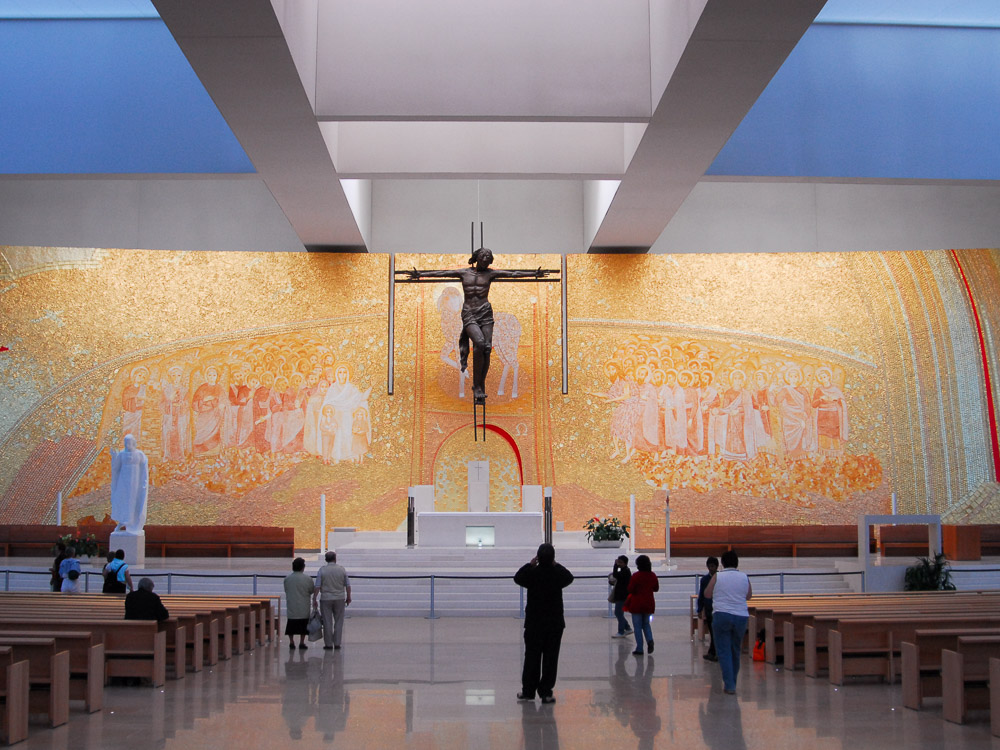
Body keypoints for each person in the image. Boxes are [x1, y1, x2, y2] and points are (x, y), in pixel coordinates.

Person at [408, 248, 550, 403]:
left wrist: (534, 274)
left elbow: (513, 273)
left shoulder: (490, 274)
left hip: (485, 313)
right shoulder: (464, 273)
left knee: (487, 348)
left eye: (488, 257)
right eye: (483, 256)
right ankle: (477, 386)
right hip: (470, 314)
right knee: (480, 343)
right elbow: (441, 274)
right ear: (476, 257)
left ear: (490, 260)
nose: (485, 258)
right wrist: (420, 275)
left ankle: (481, 384)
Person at [514, 542, 574, 704]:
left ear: (538, 557)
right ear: (553, 558)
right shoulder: (557, 574)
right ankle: (546, 692)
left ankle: (528, 691)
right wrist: (556, 564)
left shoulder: (533, 573)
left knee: (532, 657)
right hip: (554, 623)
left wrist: (530, 564)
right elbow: (569, 577)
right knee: (550, 658)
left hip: (534, 622)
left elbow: (518, 578)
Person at [704, 549, 752, 695]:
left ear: (722, 563)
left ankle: (730, 684)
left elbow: (707, 594)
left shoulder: (718, 576)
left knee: (724, 651)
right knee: (735, 650)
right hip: (741, 616)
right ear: (737, 563)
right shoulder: (744, 576)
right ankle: (733, 681)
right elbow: (749, 596)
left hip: (722, 615)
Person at [109, 434, 149, 533]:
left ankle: (132, 523)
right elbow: (116, 468)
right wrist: (114, 457)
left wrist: (144, 483)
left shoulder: (140, 455)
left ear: (133, 443)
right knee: (124, 502)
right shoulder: (122, 454)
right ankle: (121, 523)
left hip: (135, 484)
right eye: (126, 443)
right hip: (123, 483)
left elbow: (144, 470)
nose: (128, 445)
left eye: (130, 443)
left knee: (133, 503)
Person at [313, 551, 352, 650]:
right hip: (339, 597)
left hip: (326, 598)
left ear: (326, 559)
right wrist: (348, 596)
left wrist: (314, 598)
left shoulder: (322, 570)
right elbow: (347, 585)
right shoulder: (341, 570)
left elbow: (317, 586)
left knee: (327, 621)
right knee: (339, 621)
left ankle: (328, 644)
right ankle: (337, 643)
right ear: (335, 559)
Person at [625, 554, 659, 656]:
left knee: (637, 626)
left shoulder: (636, 576)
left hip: (637, 604)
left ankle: (640, 648)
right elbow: (656, 588)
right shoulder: (652, 575)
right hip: (648, 603)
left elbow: (630, 589)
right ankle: (650, 639)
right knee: (646, 624)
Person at [284, 557, 314, 650]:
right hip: (303, 604)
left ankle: (291, 641)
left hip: (292, 603)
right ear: (303, 567)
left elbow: (286, 589)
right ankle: (302, 642)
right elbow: (311, 590)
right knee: (303, 624)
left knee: (291, 623)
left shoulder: (287, 579)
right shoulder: (307, 578)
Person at [698, 556, 719, 661]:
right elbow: (701, 595)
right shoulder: (704, 579)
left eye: (713, 566)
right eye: (709, 566)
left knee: (716, 632)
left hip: (718, 608)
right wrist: (699, 609)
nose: (711, 568)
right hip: (709, 608)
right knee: (712, 631)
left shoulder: (720, 578)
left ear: (717, 566)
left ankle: (714, 652)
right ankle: (712, 652)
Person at [609, 555, 633, 638]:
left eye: (620, 562)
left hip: (623, 596)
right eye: (618, 562)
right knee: (619, 613)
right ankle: (627, 628)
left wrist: (615, 565)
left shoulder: (625, 571)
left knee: (618, 613)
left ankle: (621, 631)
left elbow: (615, 575)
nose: (619, 564)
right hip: (621, 595)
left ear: (625, 563)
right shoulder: (624, 570)